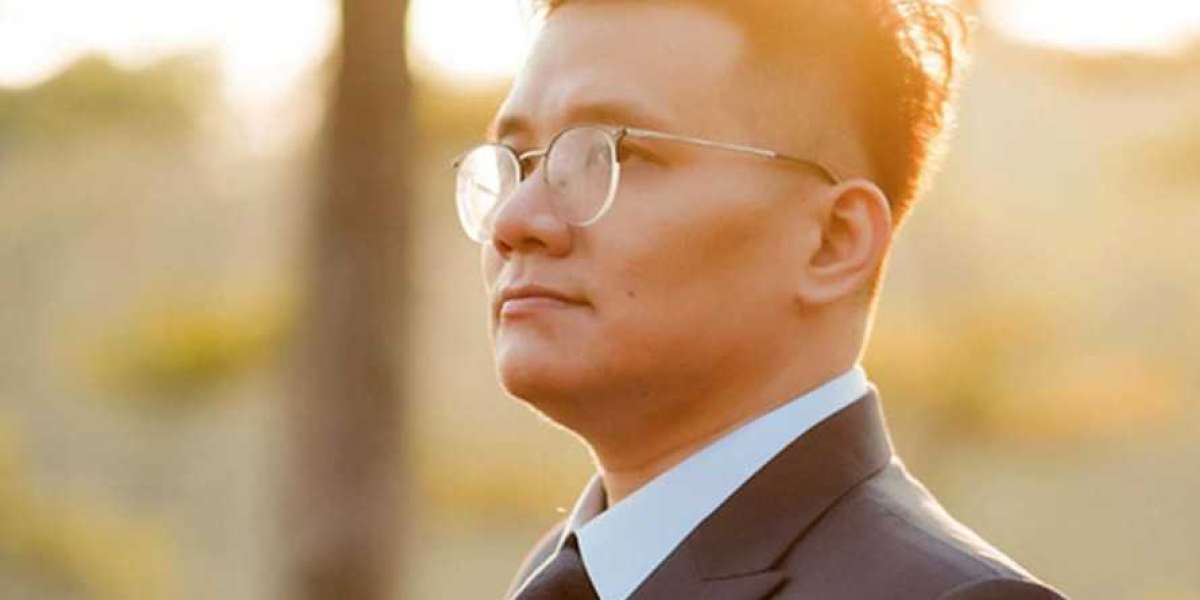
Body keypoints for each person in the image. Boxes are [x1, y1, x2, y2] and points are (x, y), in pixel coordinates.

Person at [450, 0, 1068, 598]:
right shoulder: (570, 575)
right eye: (519, 162)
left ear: (833, 241)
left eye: (619, 154)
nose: (515, 219)